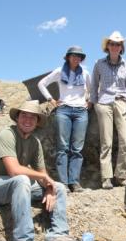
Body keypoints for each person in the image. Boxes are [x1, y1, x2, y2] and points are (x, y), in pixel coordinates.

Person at [0, 100, 83, 241]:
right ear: (17, 118)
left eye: (32, 117)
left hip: (16, 186)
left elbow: (42, 173)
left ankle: (58, 234)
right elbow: (13, 170)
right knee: (21, 179)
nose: (28, 120)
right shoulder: (7, 134)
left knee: (59, 188)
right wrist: (44, 179)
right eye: (24, 115)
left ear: (37, 122)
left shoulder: (35, 142)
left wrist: (49, 187)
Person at [38, 46, 90, 193]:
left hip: (81, 111)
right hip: (64, 110)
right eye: (73, 55)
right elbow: (41, 84)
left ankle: (74, 182)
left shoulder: (85, 72)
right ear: (68, 57)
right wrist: (51, 99)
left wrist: (89, 102)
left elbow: (92, 88)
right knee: (63, 147)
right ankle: (63, 183)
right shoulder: (59, 71)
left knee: (77, 149)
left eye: (79, 56)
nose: (76, 58)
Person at [91, 31, 126, 189]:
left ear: (121, 47)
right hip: (104, 102)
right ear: (107, 46)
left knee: (125, 140)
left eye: (118, 44)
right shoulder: (99, 63)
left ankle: (121, 175)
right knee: (106, 142)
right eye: (112, 44)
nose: (115, 46)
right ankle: (106, 177)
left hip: (122, 102)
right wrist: (95, 103)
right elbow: (94, 85)